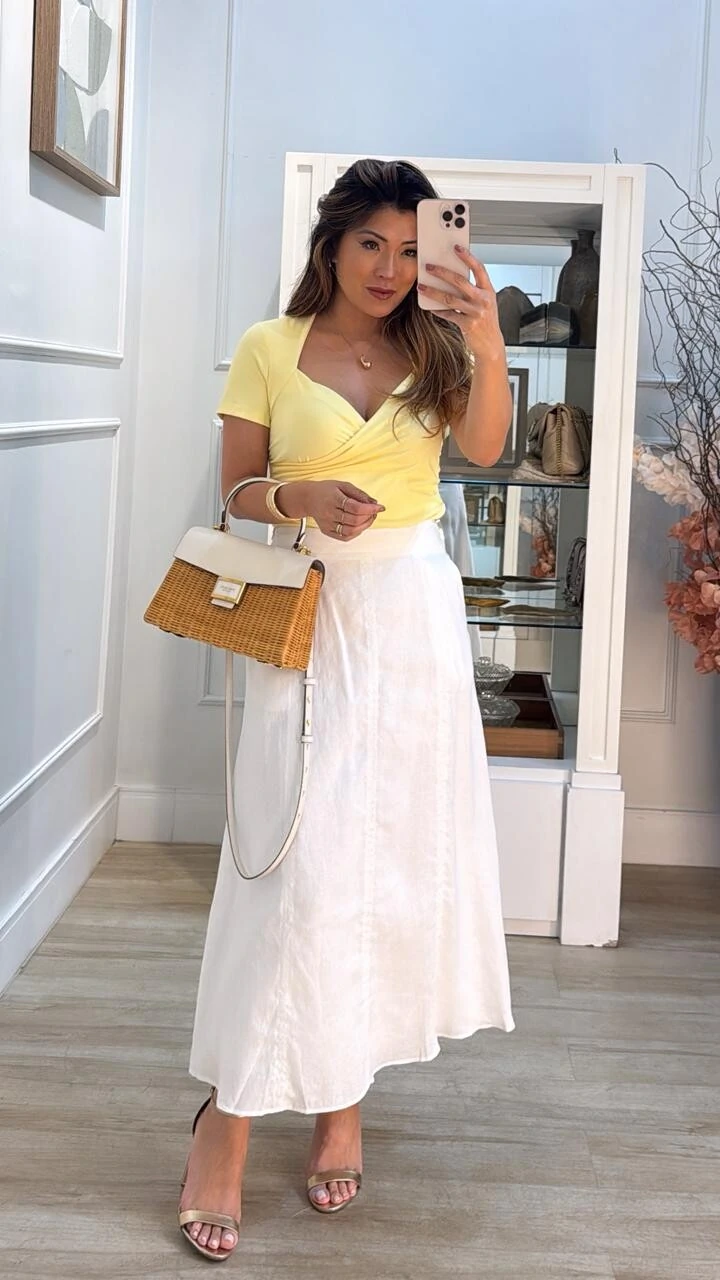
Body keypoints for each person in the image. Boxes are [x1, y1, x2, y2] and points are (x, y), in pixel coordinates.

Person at [178, 158, 516, 1262]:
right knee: (291, 864)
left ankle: (341, 1104)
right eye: (372, 242)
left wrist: (484, 334)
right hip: (310, 609)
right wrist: (300, 494)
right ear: (331, 243)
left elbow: (485, 449)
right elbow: (235, 492)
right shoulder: (269, 346)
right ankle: (225, 1121)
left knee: (384, 866)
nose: (391, 267)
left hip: (412, 615)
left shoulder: (436, 345)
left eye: (412, 248)